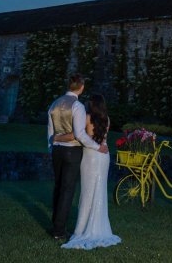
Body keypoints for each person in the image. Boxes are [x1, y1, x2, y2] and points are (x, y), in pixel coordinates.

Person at [54, 93, 121, 250]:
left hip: (91, 156)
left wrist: (58, 137)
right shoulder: (107, 119)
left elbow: (78, 136)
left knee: (88, 192)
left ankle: (83, 229)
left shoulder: (87, 117)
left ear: (92, 105)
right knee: (99, 191)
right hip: (104, 155)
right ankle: (99, 226)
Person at [47, 73, 108, 241]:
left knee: (58, 187)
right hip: (72, 151)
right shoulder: (77, 106)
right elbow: (80, 135)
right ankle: (59, 231)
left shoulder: (54, 103)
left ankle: (56, 224)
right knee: (67, 190)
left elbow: (50, 131)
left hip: (56, 150)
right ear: (81, 87)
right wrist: (97, 147)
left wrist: (51, 146)